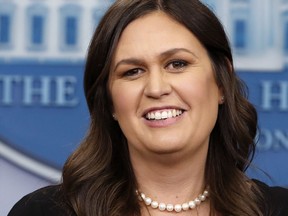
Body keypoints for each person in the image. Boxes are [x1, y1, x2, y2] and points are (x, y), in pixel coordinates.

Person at [8, 0, 288, 215]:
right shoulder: (44, 211)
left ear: (221, 84)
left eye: (177, 64)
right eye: (132, 71)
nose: (156, 88)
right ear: (109, 102)